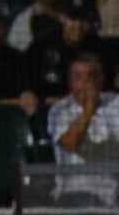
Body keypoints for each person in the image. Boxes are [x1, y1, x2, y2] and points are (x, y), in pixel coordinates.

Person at [47, 55, 119, 207]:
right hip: (77, 191)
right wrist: (89, 108)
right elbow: (71, 143)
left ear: (101, 80)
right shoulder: (60, 110)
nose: (85, 83)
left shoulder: (115, 103)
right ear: (70, 82)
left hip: (114, 188)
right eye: (78, 77)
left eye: (91, 77)